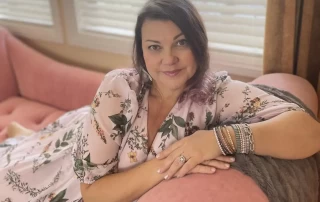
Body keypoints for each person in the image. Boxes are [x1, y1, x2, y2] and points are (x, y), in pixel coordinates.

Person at [0, 0, 319, 201]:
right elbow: (93, 193)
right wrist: (173, 162)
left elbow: (309, 132)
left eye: (181, 43)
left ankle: (28, 136)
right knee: (14, 169)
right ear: (141, 52)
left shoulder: (217, 93)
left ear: (198, 45)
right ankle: (24, 137)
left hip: (93, 147)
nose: (169, 59)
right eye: (154, 47)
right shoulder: (119, 88)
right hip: (76, 163)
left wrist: (218, 139)